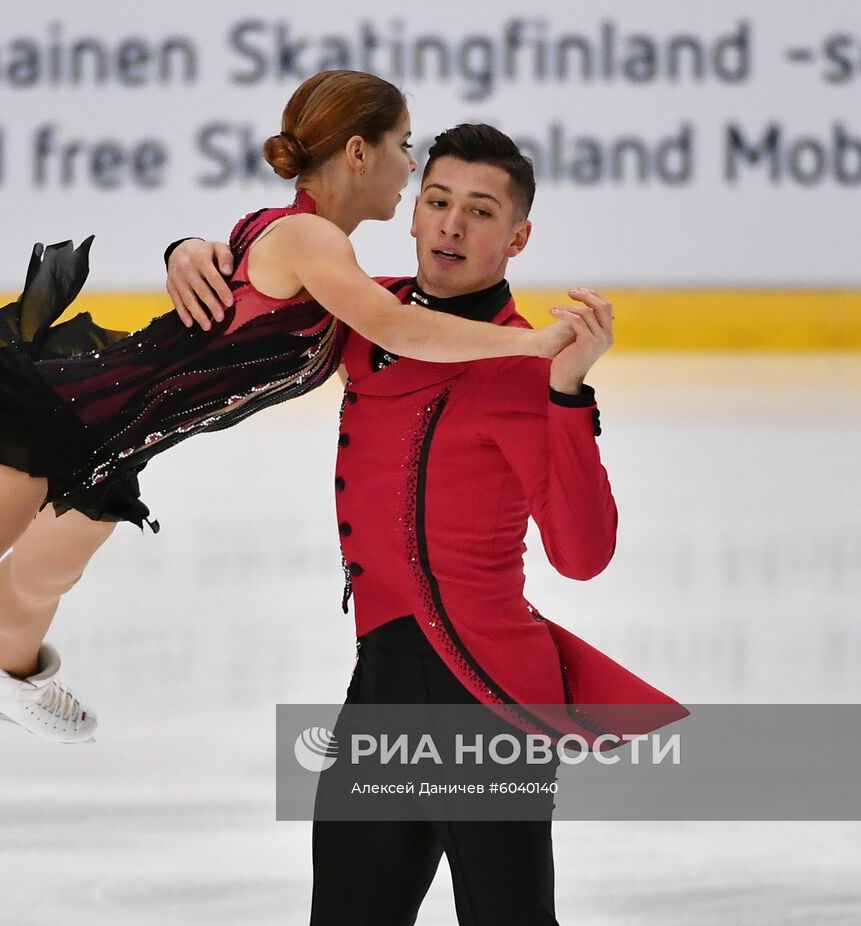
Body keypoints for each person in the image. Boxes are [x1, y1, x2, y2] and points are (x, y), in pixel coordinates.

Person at [0, 73, 577, 912]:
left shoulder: (320, 256)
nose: (413, 170)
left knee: (37, 586)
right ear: (360, 152)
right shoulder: (306, 238)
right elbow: (394, 326)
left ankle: (1, 674)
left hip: (115, 450)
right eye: (407, 148)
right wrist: (532, 342)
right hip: (57, 421)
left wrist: (185, 245)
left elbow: (387, 312)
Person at [167, 123, 686, 925]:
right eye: (437, 201)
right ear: (411, 213)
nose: (451, 225)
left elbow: (583, 556)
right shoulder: (365, 311)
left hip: (488, 698)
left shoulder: (523, 366)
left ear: (517, 239)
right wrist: (189, 250)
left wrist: (569, 394)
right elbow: (266, 276)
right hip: (382, 689)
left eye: (480, 212)